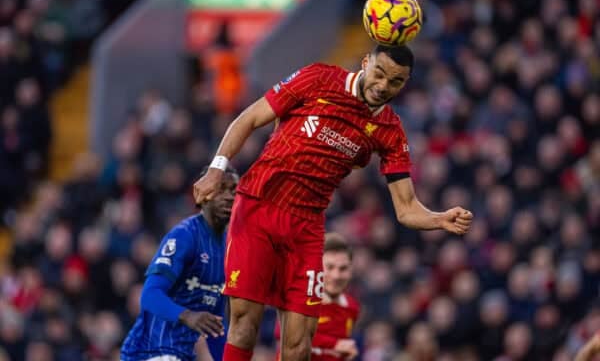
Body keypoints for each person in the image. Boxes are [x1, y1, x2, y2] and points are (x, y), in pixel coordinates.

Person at [193, 45, 473, 361]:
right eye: (379, 74)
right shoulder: (320, 77)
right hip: (259, 206)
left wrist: (439, 219)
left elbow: (406, 208)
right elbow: (251, 117)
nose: (383, 86)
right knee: (244, 325)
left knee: (299, 345)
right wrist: (217, 168)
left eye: (395, 82)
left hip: (307, 228)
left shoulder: (390, 132)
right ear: (366, 63)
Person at [121, 167, 238, 361]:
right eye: (221, 189)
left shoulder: (228, 249)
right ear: (203, 195)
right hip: (149, 353)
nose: (229, 196)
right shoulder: (185, 236)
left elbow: (215, 326)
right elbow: (150, 295)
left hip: (182, 355)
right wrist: (188, 316)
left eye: (234, 190)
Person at [275, 232, 361, 361]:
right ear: (317, 267)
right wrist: (334, 344)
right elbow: (282, 334)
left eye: (343, 269)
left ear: (351, 271)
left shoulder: (352, 307)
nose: (336, 276)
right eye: (330, 267)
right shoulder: (302, 298)